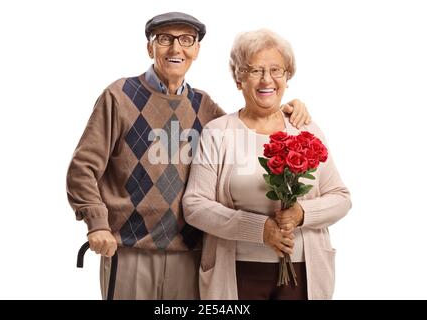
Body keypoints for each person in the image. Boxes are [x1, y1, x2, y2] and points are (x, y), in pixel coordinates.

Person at [66, 13, 311, 300]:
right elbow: (82, 168)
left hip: (191, 253)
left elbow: (247, 128)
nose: (175, 49)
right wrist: (97, 223)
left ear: (196, 50)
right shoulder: (119, 97)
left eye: (186, 40)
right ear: (150, 48)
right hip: (130, 249)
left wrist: (283, 110)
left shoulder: (203, 106)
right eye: (164, 39)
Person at [182, 29, 351, 300]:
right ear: (239, 79)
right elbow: (195, 206)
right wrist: (259, 229)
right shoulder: (218, 133)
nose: (267, 80)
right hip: (237, 272)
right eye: (255, 70)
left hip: (303, 271)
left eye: (276, 70)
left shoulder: (306, 130)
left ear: (287, 78)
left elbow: (341, 198)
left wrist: (302, 213)